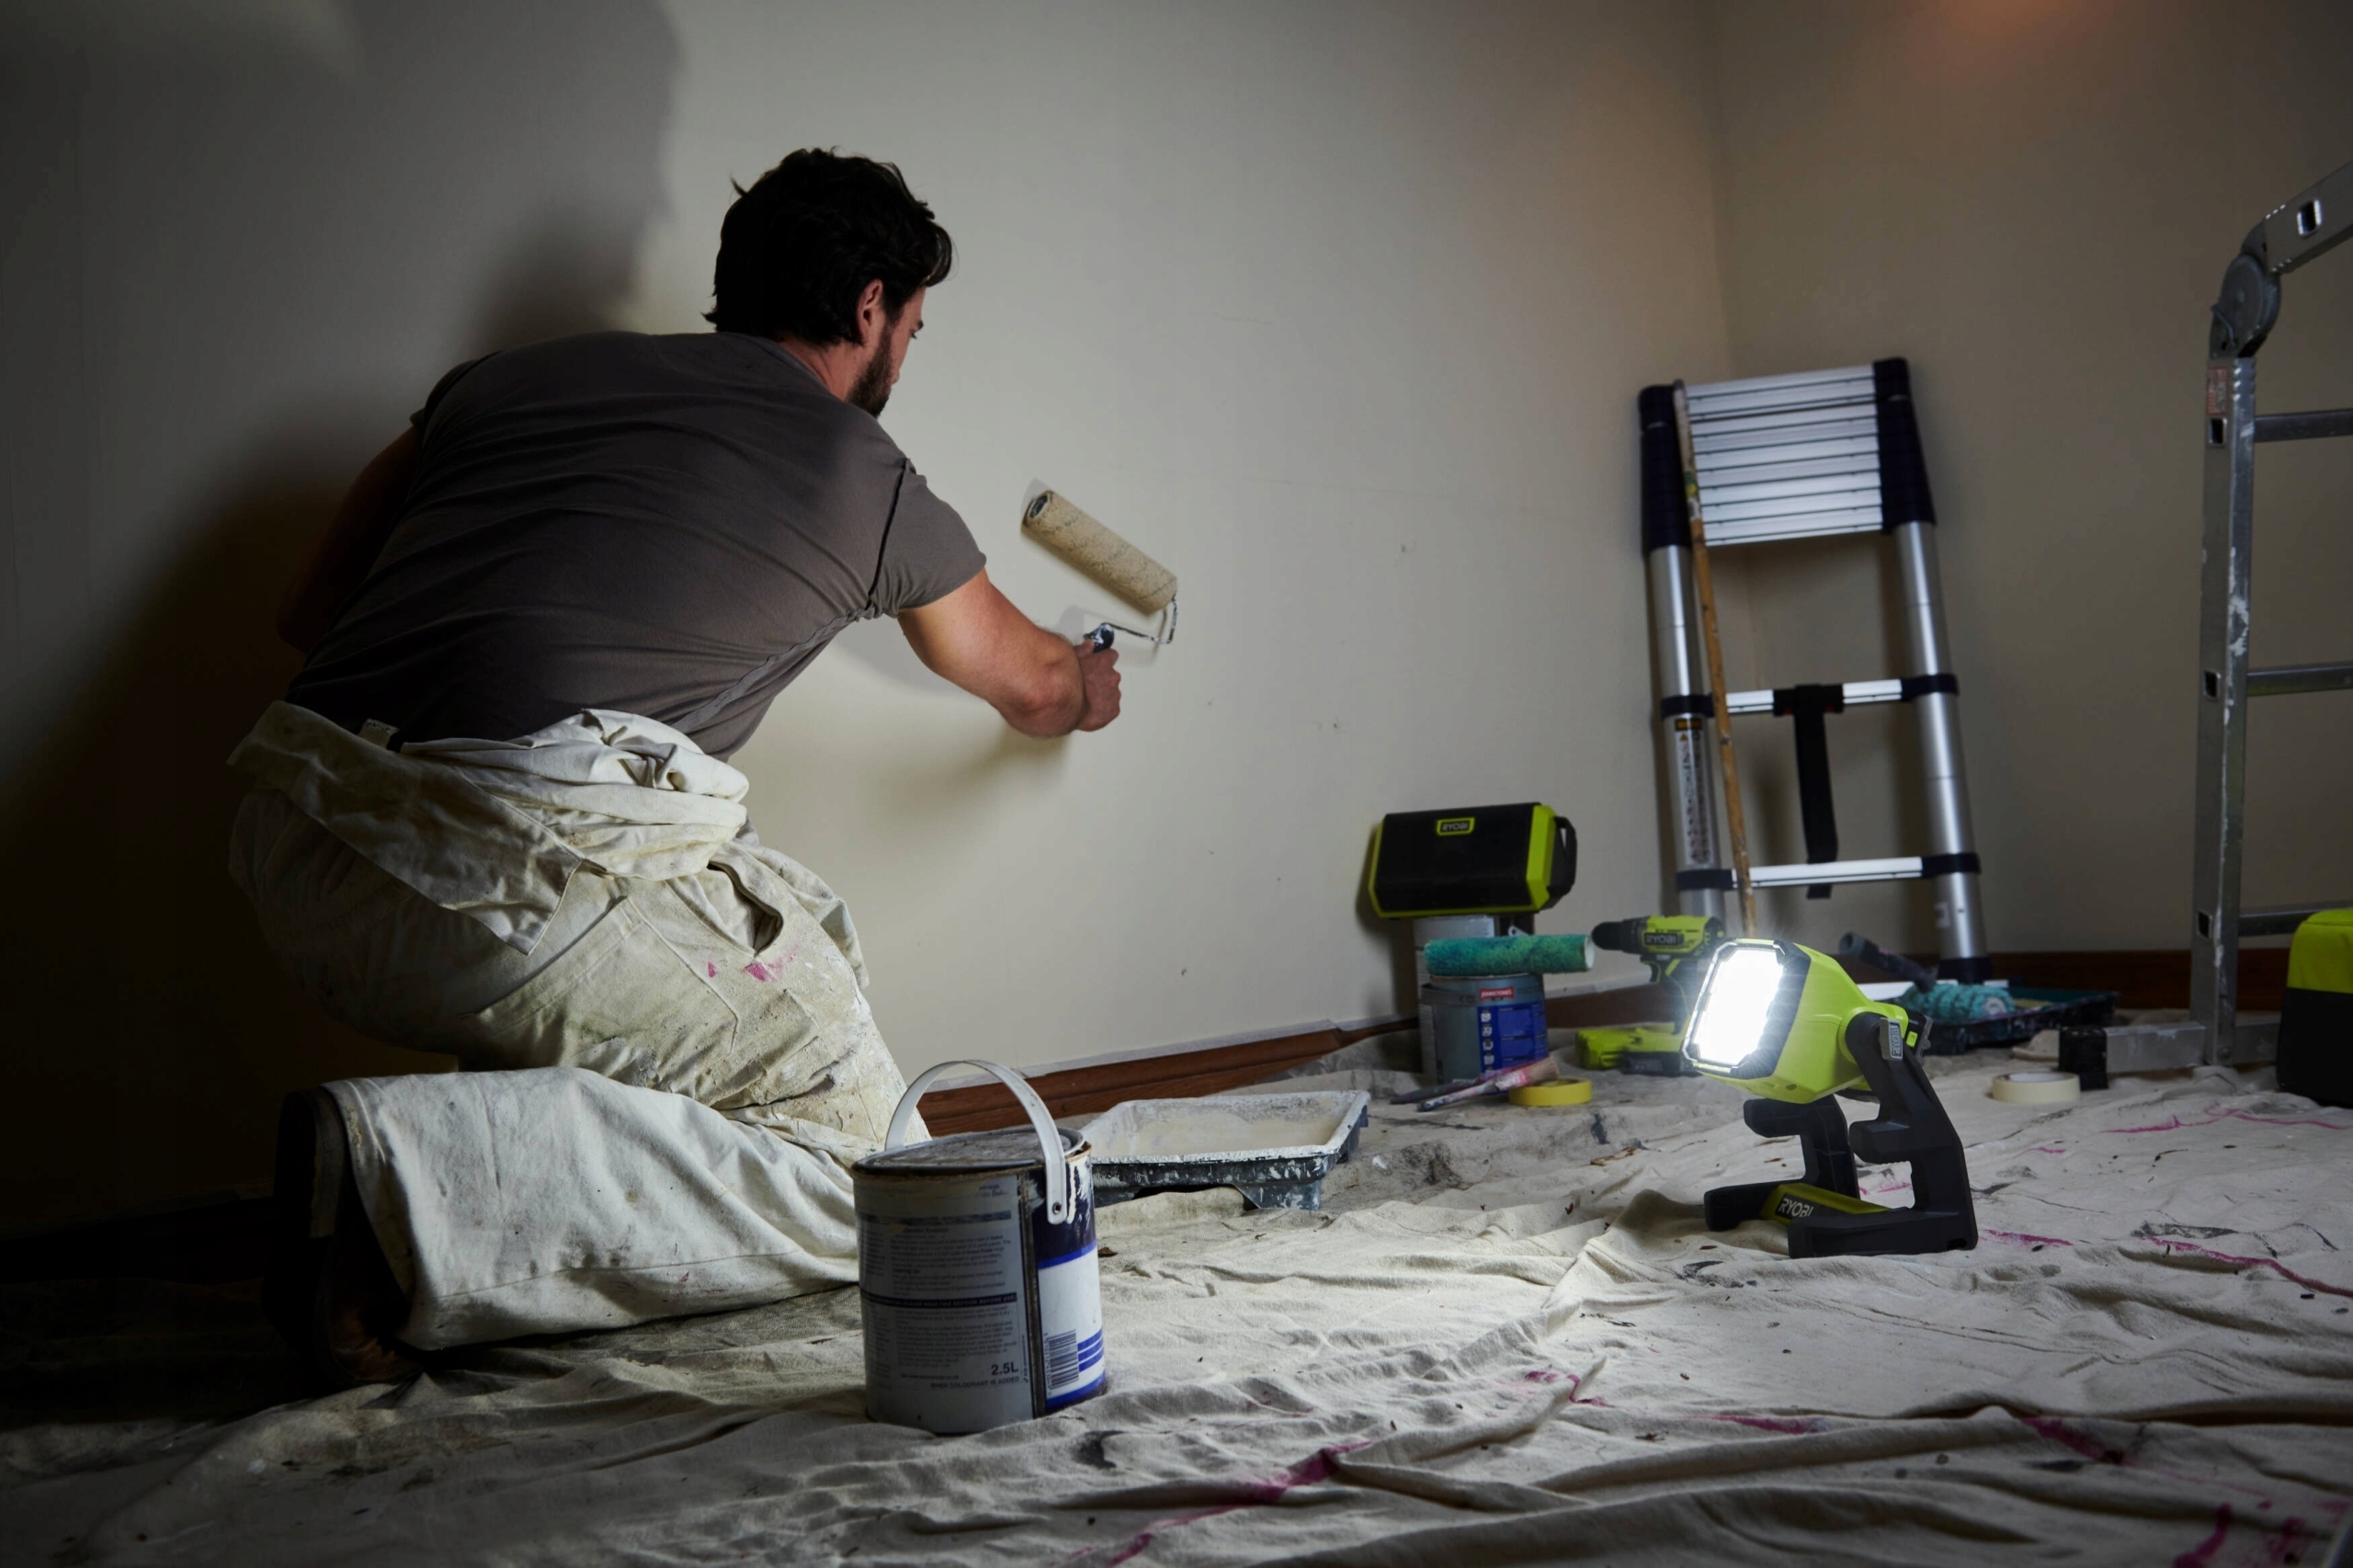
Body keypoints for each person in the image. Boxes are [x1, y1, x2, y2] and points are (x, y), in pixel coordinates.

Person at [230, 149, 1121, 1387]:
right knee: (880, 1171)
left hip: (292, 842)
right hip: (499, 874)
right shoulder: (862, 475)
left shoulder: (494, 385)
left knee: (762, 919)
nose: (906, 357)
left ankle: (438, 1166)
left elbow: (306, 613)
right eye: (913, 329)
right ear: (870, 307)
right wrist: (1091, 683)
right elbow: (1032, 684)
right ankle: (393, 1202)